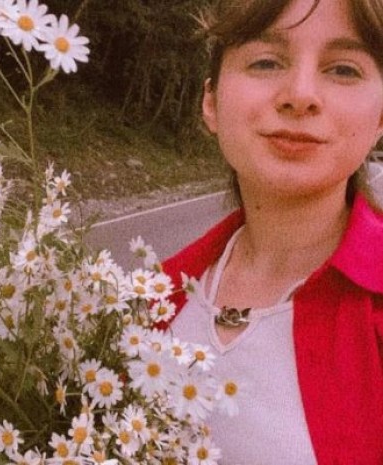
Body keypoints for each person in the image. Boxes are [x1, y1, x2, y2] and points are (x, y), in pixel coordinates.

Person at [159, 0, 383, 463]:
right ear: (211, 102)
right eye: (265, 61)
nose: (300, 95)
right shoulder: (148, 301)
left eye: (343, 70)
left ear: (380, 118)